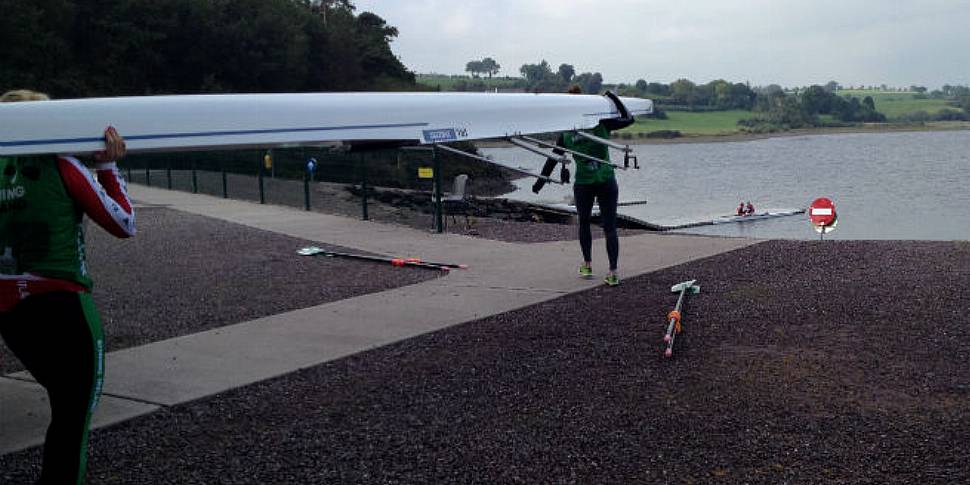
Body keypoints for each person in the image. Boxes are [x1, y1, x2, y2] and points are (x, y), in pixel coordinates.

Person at [0, 89, 136, 484]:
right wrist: (108, 168)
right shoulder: (62, 164)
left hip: (9, 312)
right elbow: (124, 223)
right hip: (63, 306)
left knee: (61, 394)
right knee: (72, 414)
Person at [534, 85, 634, 286]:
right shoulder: (598, 123)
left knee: (589, 224)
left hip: (588, 183)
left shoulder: (571, 132)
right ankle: (611, 271)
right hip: (602, 181)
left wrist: (540, 181)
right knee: (606, 226)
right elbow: (629, 118)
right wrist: (612, 97)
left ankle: (591, 266)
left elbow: (553, 158)